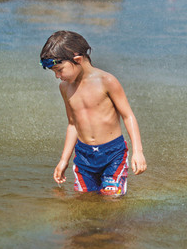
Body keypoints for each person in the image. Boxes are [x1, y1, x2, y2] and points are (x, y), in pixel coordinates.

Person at [41, 30, 146, 196]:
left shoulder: (107, 81)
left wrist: (138, 152)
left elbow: (128, 116)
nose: (57, 76)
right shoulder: (65, 88)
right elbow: (72, 124)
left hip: (113, 154)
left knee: (112, 200)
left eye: (59, 70)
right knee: (85, 201)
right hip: (84, 157)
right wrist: (63, 160)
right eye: (54, 72)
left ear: (77, 60)